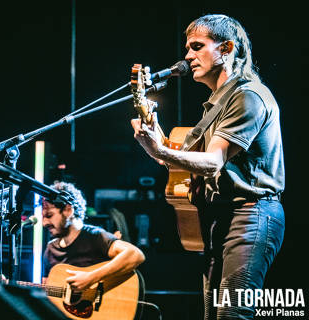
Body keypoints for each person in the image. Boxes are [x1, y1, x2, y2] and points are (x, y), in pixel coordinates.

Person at [131, 14, 285, 319]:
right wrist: (154, 137)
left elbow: (212, 163)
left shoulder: (248, 97)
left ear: (226, 48)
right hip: (223, 216)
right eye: (188, 47)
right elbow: (174, 158)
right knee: (213, 314)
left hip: (250, 214)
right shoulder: (218, 102)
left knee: (232, 313)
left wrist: (159, 148)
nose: (188, 56)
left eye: (197, 46)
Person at [42, 181, 145, 291]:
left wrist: (90, 278)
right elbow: (46, 293)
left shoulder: (95, 236)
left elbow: (135, 255)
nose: (44, 223)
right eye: (43, 217)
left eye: (49, 215)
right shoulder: (50, 250)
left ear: (68, 210)